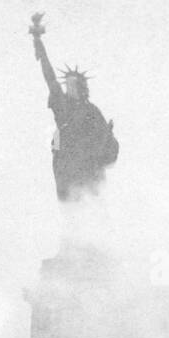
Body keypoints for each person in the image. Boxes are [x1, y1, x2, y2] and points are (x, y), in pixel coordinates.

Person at [30, 13, 119, 201]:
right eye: (67, 84)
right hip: (65, 165)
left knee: (91, 206)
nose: (69, 87)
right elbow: (49, 75)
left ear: (81, 87)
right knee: (70, 208)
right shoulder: (61, 103)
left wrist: (107, 133)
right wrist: (38, 41)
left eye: (73, 84)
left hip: (87, 167)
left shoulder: (92, 111)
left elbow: (104, 139)